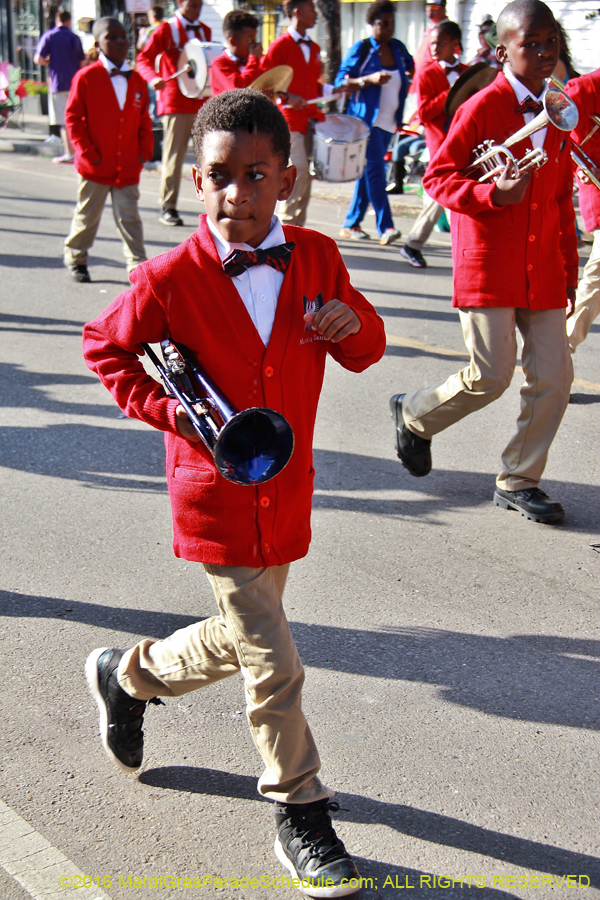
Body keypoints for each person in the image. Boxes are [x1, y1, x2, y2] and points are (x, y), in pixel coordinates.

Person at [82, 89, 385, 897]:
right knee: (274, 660)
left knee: (246, 635)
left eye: (256, 176)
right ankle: (300, 807)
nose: (236, 195)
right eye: (219, 176)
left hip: (284, 491)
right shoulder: (169, 274)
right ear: (193, 175)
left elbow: (368, 345)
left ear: (287, 180)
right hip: (213, 496)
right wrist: (169, 412)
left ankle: (130, 675)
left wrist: (349, 325)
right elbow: (104, 346)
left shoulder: (316, 256)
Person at [390, 0, 577, 524]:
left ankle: (519, 478)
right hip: (490, 264)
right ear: (502, 52)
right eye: (530, 43)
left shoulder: (558, 109)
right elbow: (438, 179)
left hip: (543, 266)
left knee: (555, 379)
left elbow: (561, 201)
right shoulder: (480, 106)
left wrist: (567, 268)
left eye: (550, 42)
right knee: (491, 376)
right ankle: (414, 413)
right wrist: (493, 195)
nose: (543, 52)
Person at [63, 18, 153, 283]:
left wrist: (144, 152)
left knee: (130, 218)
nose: (120, 41)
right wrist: (88, 153)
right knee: (87, 217)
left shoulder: (136, 80)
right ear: (98, 44)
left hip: (127, 165)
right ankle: (76, 258)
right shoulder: (86, 77)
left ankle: (137, 265)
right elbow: (73, 118)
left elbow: (144, 119)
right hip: (95, 166)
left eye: (123, 36)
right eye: (111, 37)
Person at [334, 0, 413, 245]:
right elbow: (341, 81)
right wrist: (368, 79)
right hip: (367, 122)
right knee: (377, 171)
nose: (388, 29)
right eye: (382, 24)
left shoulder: (398, 48)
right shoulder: (362, 48)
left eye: (391, 24)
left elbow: (411, 67)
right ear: (372, 24)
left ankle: (351, 223)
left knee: (368, 172)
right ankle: (386, 226)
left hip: (390, 122)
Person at [137, 0, 211, 227]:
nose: (197, 8)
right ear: (180, 2)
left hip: (201, 101)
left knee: (210, 159)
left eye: (200, 4)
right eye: (193, 4)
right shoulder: (165, 29)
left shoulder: (205, 30)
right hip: (176, 102)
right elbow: (144, 58)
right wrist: (153, 78)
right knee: (174, 158)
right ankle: (168, 206)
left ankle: (214, 210)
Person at [399, 20, 466, 268]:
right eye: (432, 43)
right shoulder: (427, 73)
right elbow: (424, 113)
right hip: (440, 146)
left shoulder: (468, 72)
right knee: (448, 195)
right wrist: (449, 93)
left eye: (440, 43)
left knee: (444, 195)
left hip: (464, 143)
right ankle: (458, 251)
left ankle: (413, 244)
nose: (434, 48)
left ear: (454, 45)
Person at [261, 0, 324, 227]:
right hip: (287, 122)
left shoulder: (315, 48)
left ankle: (297, 234)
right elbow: (264, 84)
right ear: (297, 11)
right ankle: (282, 232)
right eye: (311, 9)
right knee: (295, 177)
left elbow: (314, 87)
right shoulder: (280, 46)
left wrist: (337, 89)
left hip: (310, 121)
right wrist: (286, 97)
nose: (316, 14)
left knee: (305, 181)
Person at [565, 68, 600, 355]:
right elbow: (555, 129)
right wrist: (580, 167)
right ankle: (560, 347)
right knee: (598, 274)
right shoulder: (586, 87)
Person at [33, 9, 85, 164]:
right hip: (75, 83)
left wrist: (48, 61)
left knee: (64, 120)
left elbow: (39, 58)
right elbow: (82, 61)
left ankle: (69, 153)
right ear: (69, 20)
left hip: (58, 82)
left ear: (57, 20)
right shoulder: (75, 38)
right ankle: (80, 151)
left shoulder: (49, 36)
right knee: (78, 119)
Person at [210, 9, 263, 95]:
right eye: (250, 41)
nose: (254, 45)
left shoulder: (254, 62)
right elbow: (239, 90)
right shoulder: (220, 63)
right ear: (233, 42)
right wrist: (253, 59)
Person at [412, 0, 448, 82]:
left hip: (432, 81)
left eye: (434, 6)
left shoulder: (447, 31)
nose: (430, 9)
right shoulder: (430, 27)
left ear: (443, 9)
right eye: (428, 6)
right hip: (419, 79)